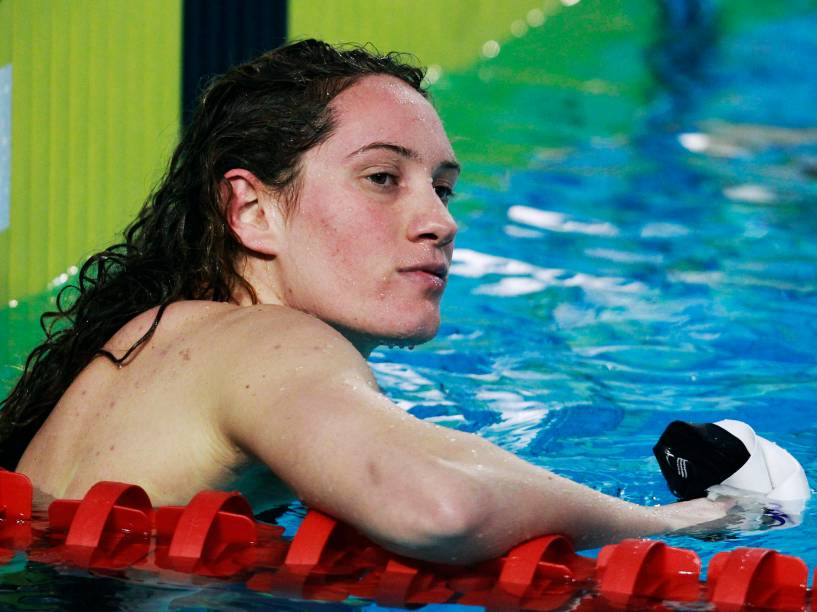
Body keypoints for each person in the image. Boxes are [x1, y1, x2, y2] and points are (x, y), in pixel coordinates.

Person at [0, 39, 729, 564]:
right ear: (252, 210)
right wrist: (660, 522)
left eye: (441, 187)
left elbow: (425, 451)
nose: (440, 220)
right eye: (382, 178)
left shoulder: (165, 339)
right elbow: (435, 508)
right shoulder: (273, 342)